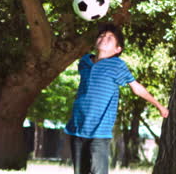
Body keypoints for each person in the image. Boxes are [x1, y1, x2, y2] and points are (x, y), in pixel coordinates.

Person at [64, 23, 169, 174]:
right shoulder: (84, 62)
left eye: (110, 38)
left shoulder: (117, 65)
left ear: (117, 49)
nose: (104, 38)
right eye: (101, 36)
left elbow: (136, 88)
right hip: (77, 128)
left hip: (99, 131)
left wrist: (159, 106)